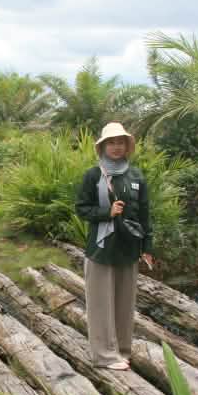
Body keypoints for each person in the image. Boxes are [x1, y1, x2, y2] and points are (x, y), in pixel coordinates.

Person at [75, 122, 153, 370]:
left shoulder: (136, 175)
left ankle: (122, 350)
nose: (116, 146)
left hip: (128, 248)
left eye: (120, 142)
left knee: (124, 302)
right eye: (111, 142)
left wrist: (147, 247)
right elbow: (82, 208)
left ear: (127, 146)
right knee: (100, 304)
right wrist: (106, 212)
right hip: (101, 249)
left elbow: (145, 215)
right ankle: (104, 356)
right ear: (103, 146)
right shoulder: (93, 175)